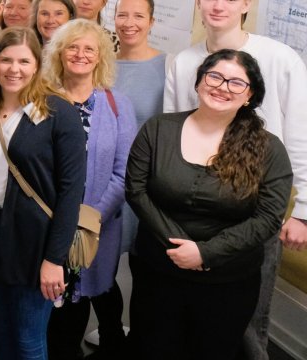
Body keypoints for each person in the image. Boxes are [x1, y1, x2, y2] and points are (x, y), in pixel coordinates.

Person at [164, 1, 307, 359]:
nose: (217, 5)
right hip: (194, 208)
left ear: (245, 4)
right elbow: (172, 130)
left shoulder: (280, 57)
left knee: (248, 320)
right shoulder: (183, 62)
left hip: (256, 209)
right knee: (194, 317)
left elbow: (300, 134)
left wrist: (303, 208)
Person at [129, 49, 293, 360]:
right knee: (152, 347)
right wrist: (180, 248)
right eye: (214, 76)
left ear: (249, 95)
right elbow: (136, 190)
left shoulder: (269, 149)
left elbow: (269, 218)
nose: (222, 87)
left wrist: (206, 253)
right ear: (200, 81)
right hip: (159, 271)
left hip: (228, 282)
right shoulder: (158, 129)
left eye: (236, 82)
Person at [0, 27, 85, 360]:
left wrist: (54, 260)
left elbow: (70, 192)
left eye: (23, 60)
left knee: (29, 340)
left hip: (34, 242)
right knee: (0, 331)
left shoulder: (58, 114)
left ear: (37, 65)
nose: (13, 69)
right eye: (5, 59)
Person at [38, 18, 137, 360]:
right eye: (72, 47)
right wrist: (61, 220)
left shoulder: (116, 104)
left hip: (98, 225)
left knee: (96, 289)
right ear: (59, 53)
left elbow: (125, 172)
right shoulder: (41, 100)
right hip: (48, 225)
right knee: (58, 308)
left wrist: (88, 219)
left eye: (89, 49)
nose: (80, 54)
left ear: (100, 57)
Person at [105, 0, 161, 350]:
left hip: (148, 186)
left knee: (145, 271)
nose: (129, 23)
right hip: (105, 182)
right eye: (122, 14)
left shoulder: (167, 67)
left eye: (138, 16)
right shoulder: (102, 64)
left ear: (152, 21)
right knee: (100, 269)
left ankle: (140, 340)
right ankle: (112, 334)